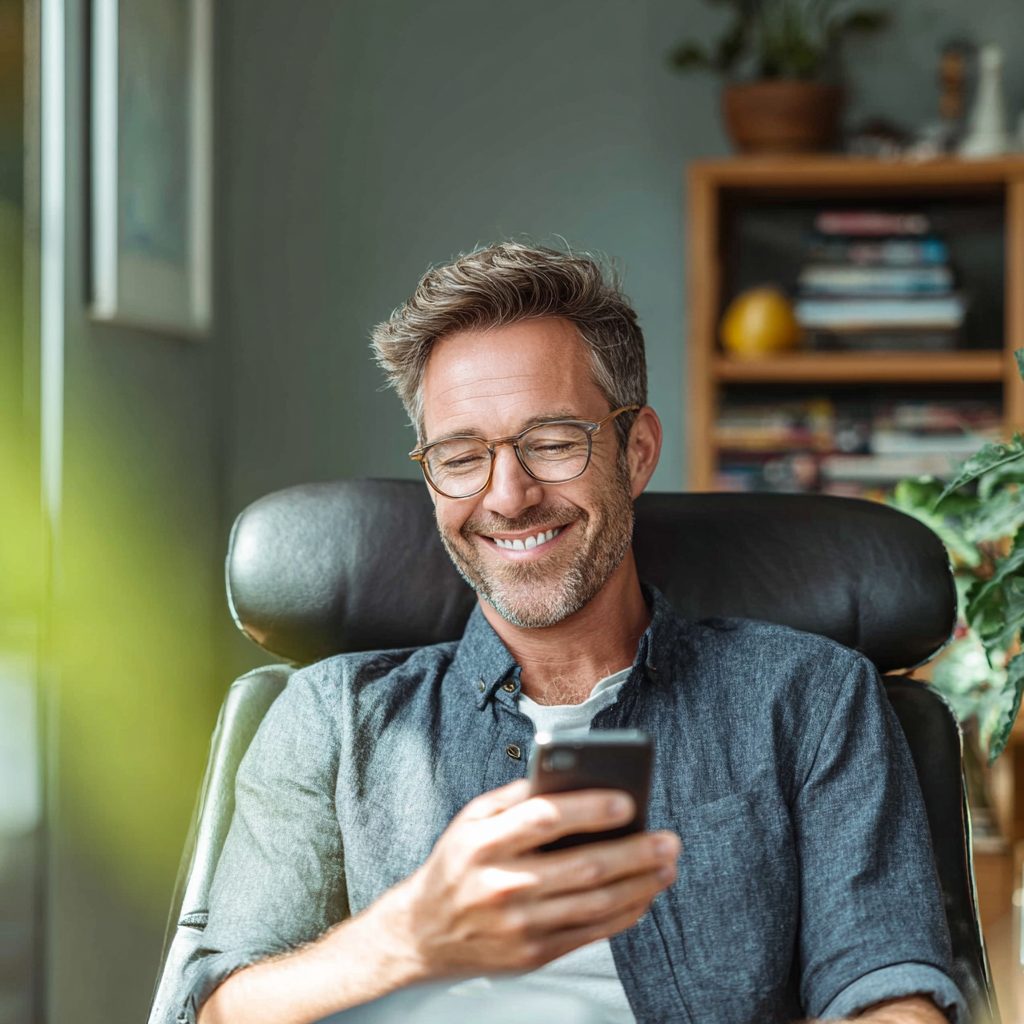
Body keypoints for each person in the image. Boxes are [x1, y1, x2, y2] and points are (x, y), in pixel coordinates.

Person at [180, 243, 965, 1024]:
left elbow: (889, 990)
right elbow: (217, 1008)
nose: (509, 496)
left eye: (553, 443)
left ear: (637, 452)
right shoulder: (330, 716)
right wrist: (408, 937)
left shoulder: (810, 697)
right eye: (461, 456)